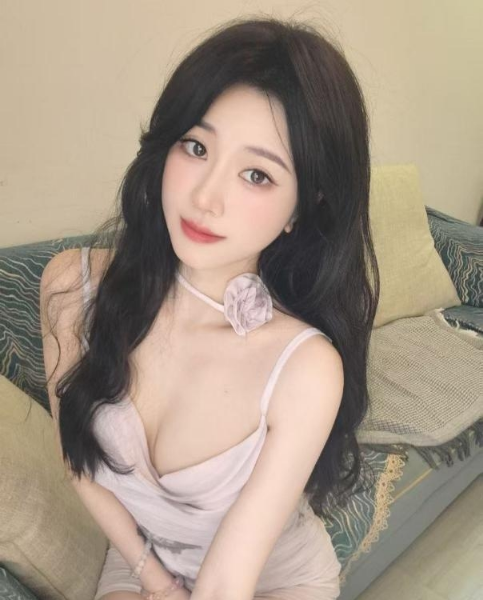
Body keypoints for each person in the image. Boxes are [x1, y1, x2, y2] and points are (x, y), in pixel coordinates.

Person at [40, 14, 379, 600]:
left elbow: (227, 582)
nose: (205, 197)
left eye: (257, 175)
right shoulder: (72, 288)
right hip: (139, 557)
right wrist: (152, 577)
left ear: (303, 207)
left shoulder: (305, 368)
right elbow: (76, 460)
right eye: (196, 146)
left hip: (273, 577)